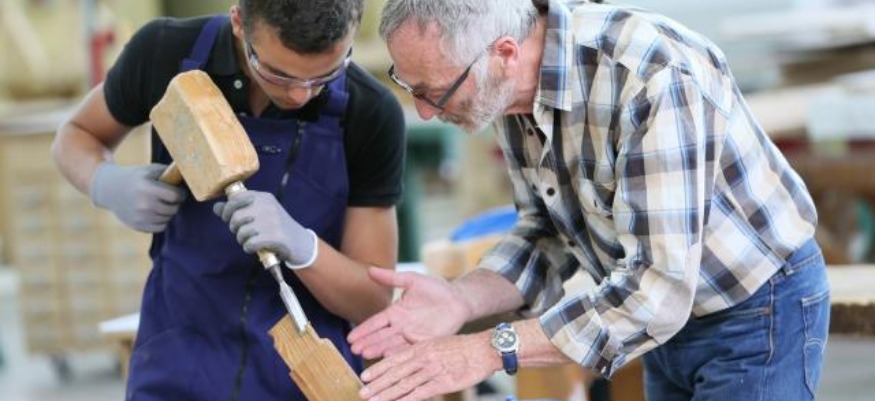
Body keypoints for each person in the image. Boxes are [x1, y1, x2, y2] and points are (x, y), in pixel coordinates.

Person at [347, 1, 830, 400]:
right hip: (665, 318)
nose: (425, 113)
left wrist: (488, 350)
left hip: (755, 306)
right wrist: (461, 298)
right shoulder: (506, 87)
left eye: (434, 92)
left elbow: (655, 293)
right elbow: (545, 232)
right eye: (411, 89)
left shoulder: (651, 77)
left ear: (504, 53)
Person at [51, 0, 405, 399]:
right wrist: (106, 183)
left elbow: (372, 301)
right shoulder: (166, 52)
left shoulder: (369, 112)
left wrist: (305, 249)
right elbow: (76, 136)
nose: (300, 95)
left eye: (326, 74)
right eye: (278, 74)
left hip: (300, 375)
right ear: (239, 22)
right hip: (177, 361)